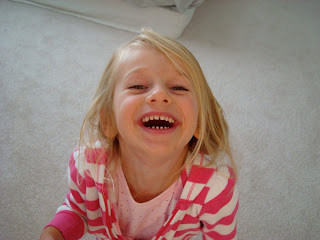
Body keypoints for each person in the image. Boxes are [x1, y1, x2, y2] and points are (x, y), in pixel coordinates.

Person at [40, 28, 239, 240]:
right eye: (138, 85)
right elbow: (78, 210)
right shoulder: (88, 166)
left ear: (200, 122)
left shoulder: (215, 186)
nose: (159, 94)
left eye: (179, 87)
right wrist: (55, 233)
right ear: (109, 119)